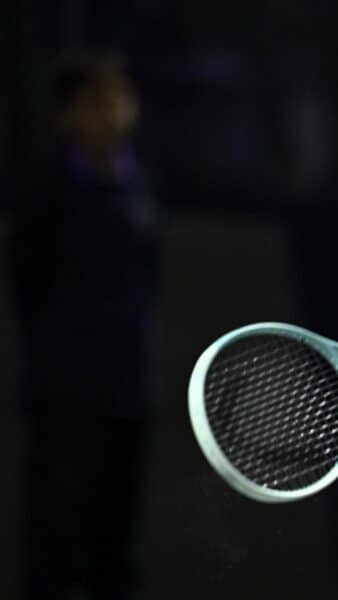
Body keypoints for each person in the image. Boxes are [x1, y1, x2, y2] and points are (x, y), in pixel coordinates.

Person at [11, 51, 158, 600]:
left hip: (128, 397)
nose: (115, 111)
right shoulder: (45, 193)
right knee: (53, 546)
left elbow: (147, 283)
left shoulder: (141, 190)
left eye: (122, 98)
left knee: (113, 553)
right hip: (62, 399)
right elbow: (29, 287)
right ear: (69, 112)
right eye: (99, 100)